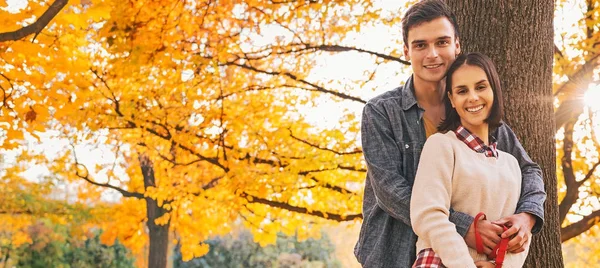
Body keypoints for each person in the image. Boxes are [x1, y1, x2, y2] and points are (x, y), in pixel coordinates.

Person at [353, 0, 546, 267]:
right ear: (407, 50)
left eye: (442, 42)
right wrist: (464, 226)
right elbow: (390, 190)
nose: (432, 54)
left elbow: (529, 170)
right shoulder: (381, 112)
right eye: (421, 45)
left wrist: (527, 217)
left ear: (457, 45)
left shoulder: (474, 112)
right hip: (393, 253)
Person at [411, 52, 529, 268]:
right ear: (452, 100)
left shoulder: (511, 164)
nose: (473, 97)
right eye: (462, 91)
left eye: (481, 87)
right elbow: (428, 215)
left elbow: (519, 235)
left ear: (494, 90)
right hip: (439, 261)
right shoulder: (441, 145)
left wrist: (499, 266)